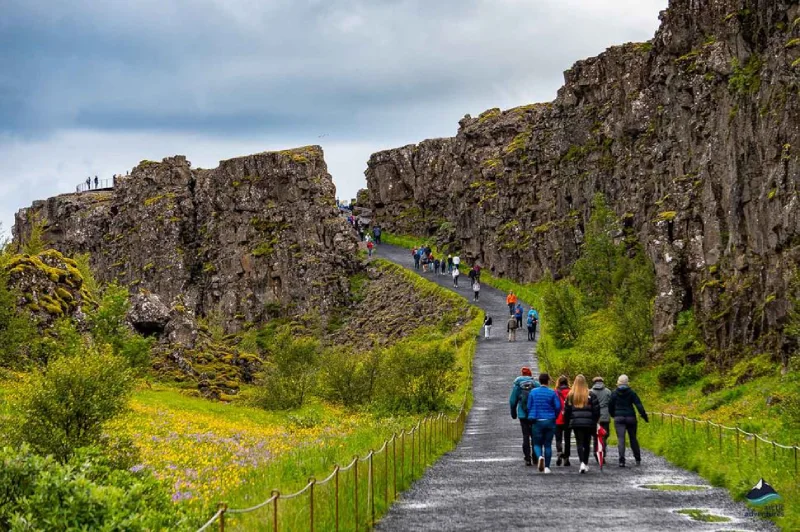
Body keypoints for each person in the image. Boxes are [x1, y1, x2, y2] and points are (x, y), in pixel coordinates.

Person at [609, 374, 649, 467]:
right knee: (633, 438)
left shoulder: (614, 393)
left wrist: (613, 415)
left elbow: (610, 405)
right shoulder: (632, 392)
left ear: (618, 383)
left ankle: (622, 460)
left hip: (619, 418)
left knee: (621, 439)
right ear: (628, 383)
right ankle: (637, 459)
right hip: (631, 417)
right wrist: (644, 416)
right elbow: (638, 405)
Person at [564, 374, 600, 473]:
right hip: (589, 423)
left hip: (576, 423)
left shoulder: (571, 395)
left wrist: (567, 422)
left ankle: (582, 463)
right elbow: (596, 410)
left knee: (579, 443)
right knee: (587, 443)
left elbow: (567, 410)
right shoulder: (591, 394)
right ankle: (585, 462)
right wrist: (595, 420)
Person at [526, 373, 561, 473]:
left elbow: (528, 407)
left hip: (537, 421)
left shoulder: (533, 392)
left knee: (536, 444)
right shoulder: (552, 393)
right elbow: (558, 406)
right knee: (548, 444)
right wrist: (555, 415)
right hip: (550, 421)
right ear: (548, 381)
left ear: (539, 381)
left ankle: (540, 457)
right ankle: (547, 467)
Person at [509, 367, 539, 467]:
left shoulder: (517, 386)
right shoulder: (535, 384)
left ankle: (527, 459)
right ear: (530, 375)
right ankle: (535, 457)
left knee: (525, 436)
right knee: (534, 436)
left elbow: (512, 401)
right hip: (534, 415)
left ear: (521, 375)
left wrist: (513, 413)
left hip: (523, 415)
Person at [591, 377, 612, 460]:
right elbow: (611, 403)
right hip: (605, 416)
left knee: (596, 435)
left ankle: (596, 451)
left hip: (594, 416)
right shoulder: (608, 391)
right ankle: (602, 451)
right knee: (605, 434)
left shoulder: (590, 391)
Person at [554, 376, 571, 466]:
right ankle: (567, 458)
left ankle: (559, 451)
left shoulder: (555, 392)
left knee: (558, 438)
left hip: (558, 418)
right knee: (567, 438)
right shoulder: (571, 391)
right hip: (568, 418)